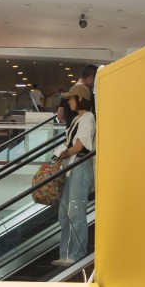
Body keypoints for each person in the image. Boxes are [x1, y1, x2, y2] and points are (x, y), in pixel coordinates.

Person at [53, 91, 95, 266]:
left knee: (75, 212)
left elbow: (78, 147)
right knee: (65, 214)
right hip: (72, 166)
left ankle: (76, 255)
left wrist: (62, 154)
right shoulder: (79, 118)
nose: (69, 102)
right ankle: (66, 254)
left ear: (80, 98)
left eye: (71, 98)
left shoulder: (88, 117)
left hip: (79, 165)